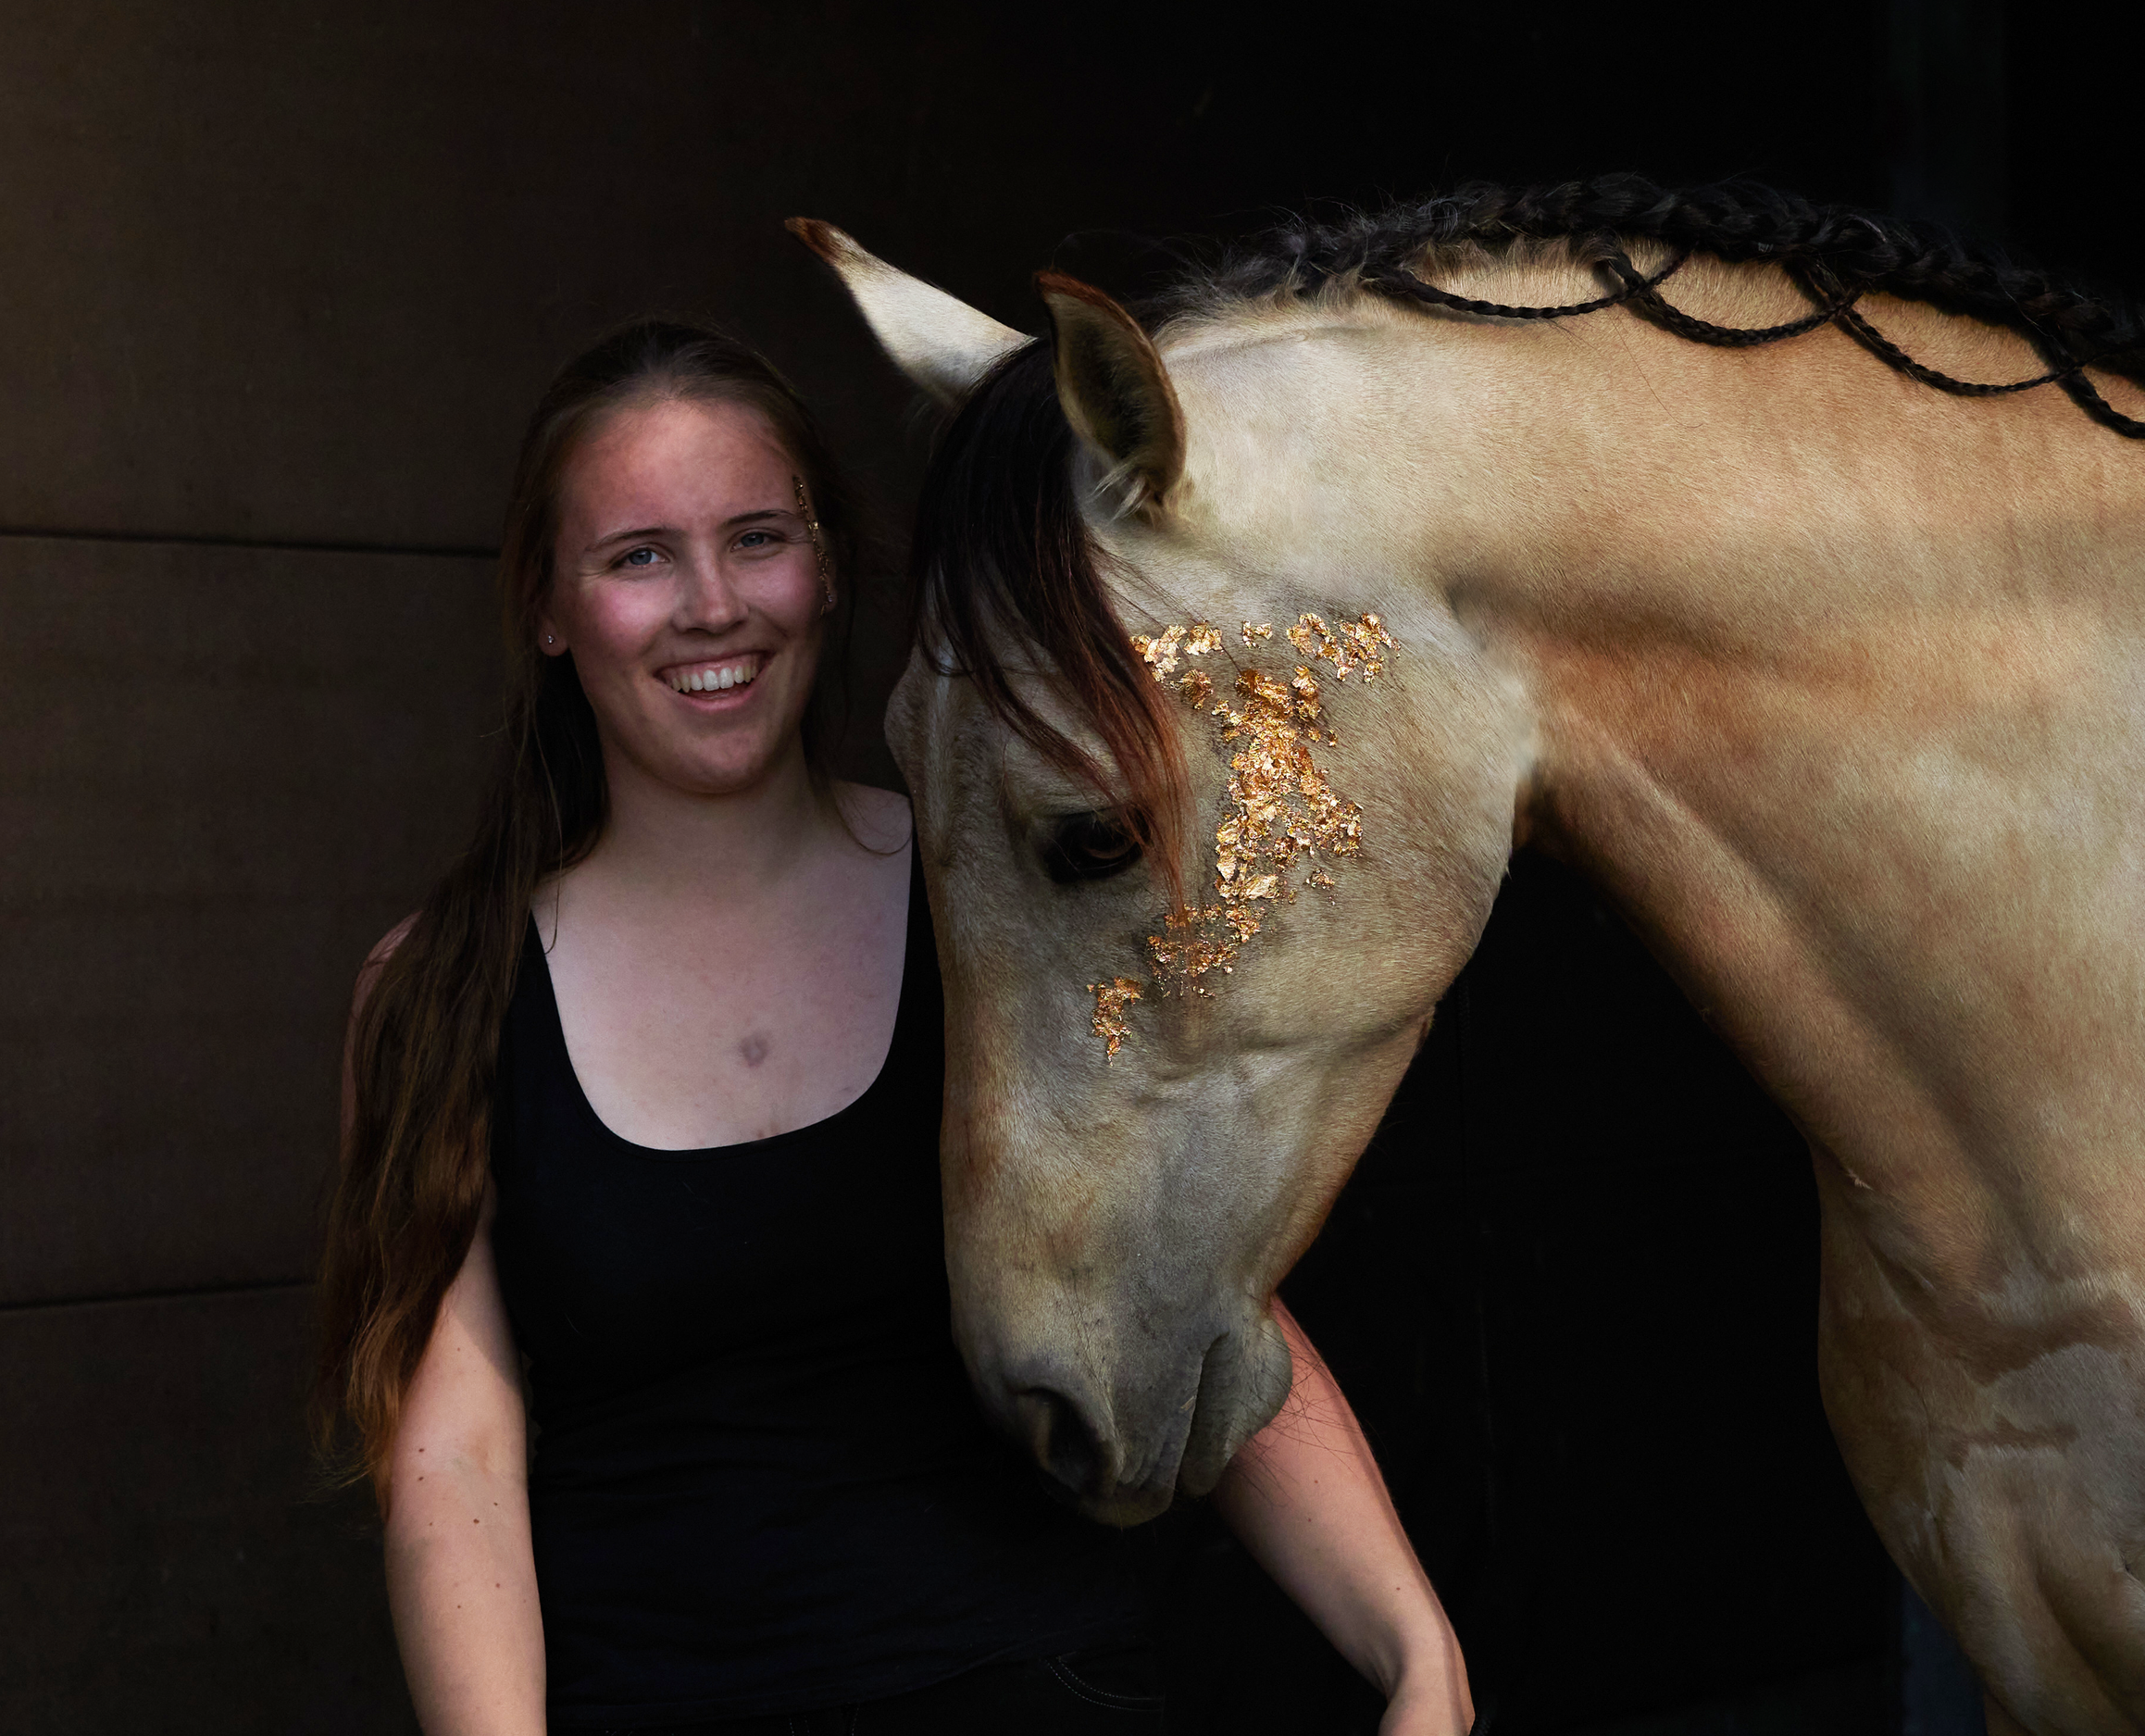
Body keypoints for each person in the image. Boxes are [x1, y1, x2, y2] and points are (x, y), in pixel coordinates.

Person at [316, 318, 1473, 1735]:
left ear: (826, 566)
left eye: (756, 537)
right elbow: (456, 1458)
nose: (710, 604)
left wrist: (1416, 1648)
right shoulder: (443, 988)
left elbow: (1178, 1281)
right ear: (548, 604)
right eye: (638, 556)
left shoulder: (992, 889)